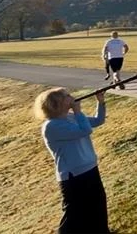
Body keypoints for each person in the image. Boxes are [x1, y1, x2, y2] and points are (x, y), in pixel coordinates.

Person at [35, 88, 109, 234]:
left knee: (98, 204)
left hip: (90, 167)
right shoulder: (51, 126)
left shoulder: (70, 117)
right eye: (67, 96)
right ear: (57, 104)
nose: (72, 97)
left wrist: (100, 103)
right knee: (74, 214)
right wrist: (78, 111)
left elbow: (98, 121)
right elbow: (85, 130)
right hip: (73, 175)